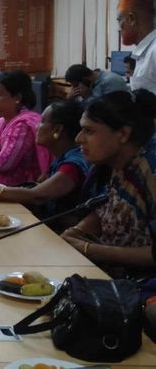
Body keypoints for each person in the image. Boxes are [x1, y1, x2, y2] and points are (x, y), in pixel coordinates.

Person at [0, 101, 89, 230]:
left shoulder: (72, 165)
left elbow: (36, 195)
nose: (36, 126)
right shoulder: (62, 157)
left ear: (57, 130)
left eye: (42, 121)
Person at [60, 90, 156, 278]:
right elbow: (106, 209)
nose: (78, 138)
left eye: (89, 131)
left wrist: (89, 249)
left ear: (123, 134)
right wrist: (77, 232)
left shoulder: (151, 170)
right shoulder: (118, 162)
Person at [117, 0, 156, 94]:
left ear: (132, 19)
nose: (119, 28)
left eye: (119, 20)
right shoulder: (146, 52)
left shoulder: (154, 51)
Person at [64, 64, 128, 104]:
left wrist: (86, 96)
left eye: (75, 85)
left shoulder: (111, 81)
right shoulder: (88, 84)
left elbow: (107, 110)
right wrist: (69, 98)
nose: (74, 89)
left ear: (85, 80)